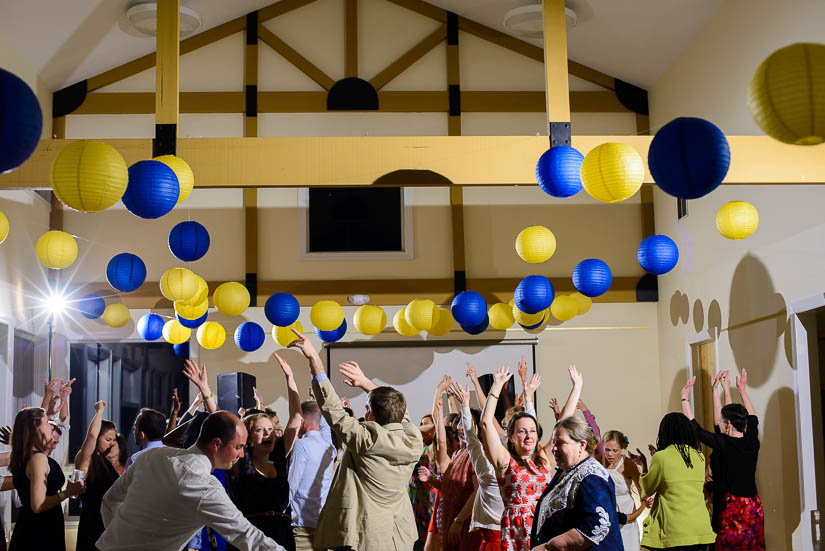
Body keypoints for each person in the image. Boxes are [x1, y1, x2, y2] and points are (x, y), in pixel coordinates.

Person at [287, 328, 423, 551]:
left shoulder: (366, 441)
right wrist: (367, 383)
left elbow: (333, 410)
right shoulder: (413, 440)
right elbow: (400, 411)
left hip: (368, 535)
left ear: (371, 415)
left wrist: (314, 359)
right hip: (399, 536)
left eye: (367, 408)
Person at [97, 411, 286, 551]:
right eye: (238, 447)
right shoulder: (203, 486)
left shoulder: (153, 456)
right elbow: (246, 536)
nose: (242, 454)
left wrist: (118, 538)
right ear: (217, 444)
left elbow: (109, 501)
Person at [480, 364, 581, 551]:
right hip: (516, 533)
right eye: (523, 431)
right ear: (511, 437)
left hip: (546, 527)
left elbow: (564, 422)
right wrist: (495, 388)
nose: (529, 436)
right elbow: (486, 423)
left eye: (533, 431)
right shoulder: (504, 460)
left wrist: (577, 387)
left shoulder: (543, 458)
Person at [681, 370, 764, 551]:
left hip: (734, 510)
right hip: (753, 507)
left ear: (727, 424)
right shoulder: (752, 440)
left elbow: (696, 429)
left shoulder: (724, 443)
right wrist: (742, 390)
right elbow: (753, 417)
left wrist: (684, 398)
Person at [530, 415, 624, 551]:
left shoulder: (591, 478)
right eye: (554, 443)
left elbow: (595, 527)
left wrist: (547, 547)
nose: (554, 449)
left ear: (582, 445)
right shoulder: (567, 469)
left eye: (560, 443)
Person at [633, 412, 715, 550]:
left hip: (676, 531)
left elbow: (647, 490)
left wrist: (644, 465)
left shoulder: (661, 457)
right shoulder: (699, 456)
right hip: (701, 529)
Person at [8, 407, 85, 551]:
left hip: (30, 527)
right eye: (47, 422)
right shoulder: (38, 458)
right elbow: (38, 505)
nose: (51, 426)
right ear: (36, 428)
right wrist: (67, 493)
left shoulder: (23, 456)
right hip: (39, 532)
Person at [73, 400, 122, 551]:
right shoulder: (85, 458)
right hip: (92, 524)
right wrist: (99, 412)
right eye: (107, 439)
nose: (112, 444)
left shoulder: (105, 460)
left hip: (108, 524)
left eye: (114, 440)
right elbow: (92, 436)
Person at [288, 400, 337, 551]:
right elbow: (325, 426)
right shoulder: (330, 447)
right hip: (325, 526)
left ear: (301, 420)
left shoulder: (301, 445)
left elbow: (292, 484)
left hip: (302, 526)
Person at [598, 430, 647, 551]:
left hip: (626, 510)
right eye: (607, 450)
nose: (610, 454)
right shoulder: (598, 461)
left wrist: (643, 506)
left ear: (622, 449)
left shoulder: (628, 464)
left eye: (615, 451)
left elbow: (642, 491)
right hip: (605, 510)